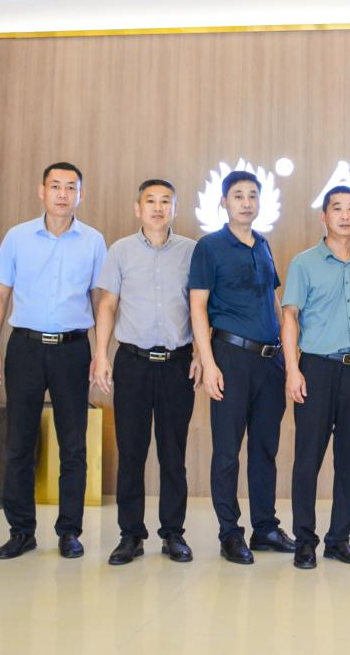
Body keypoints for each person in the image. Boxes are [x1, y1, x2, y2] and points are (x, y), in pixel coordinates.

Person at [0, 162, 108, 560]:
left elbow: (100, 301)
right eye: (55, 186)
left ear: (80, 195)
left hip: (73, 350)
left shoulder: (93, 241)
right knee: (19, 442)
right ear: (42, 191)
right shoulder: (18, 237)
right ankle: (21, 531)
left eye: (71, 187)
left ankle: (69, 532)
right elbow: (0, 295)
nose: (62, 194)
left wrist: (100, 353)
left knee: (73, 444)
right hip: (25, 348)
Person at [188, 170, 296, 564]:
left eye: (252, 195)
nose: (246, 202)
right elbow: (197, 306)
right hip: (230, 358)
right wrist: (208, 362)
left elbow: (272, 300)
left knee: (265, 449)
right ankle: (230, 533)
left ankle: (264, 527)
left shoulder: (263, 245)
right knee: (227, 451)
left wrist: (287, 358)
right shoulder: (210, 246)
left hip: (270, 361)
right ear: (224, 202)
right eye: (238, 195)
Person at [91, 179, 200, 566]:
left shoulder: (192, 251)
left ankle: (173, 534)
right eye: (150, 201)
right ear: (137, 208)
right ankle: (130, 535)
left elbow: (201, 308)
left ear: (175, 208)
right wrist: (100, 355)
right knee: (132, 452)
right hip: (132, 363)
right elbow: (107, 305)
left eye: (165, 201)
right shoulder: (120, 251)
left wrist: (201, 355)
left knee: (173, 454)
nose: (157, 207)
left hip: (177, 364)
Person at [281, 186, 350, 570]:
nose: (344, 215)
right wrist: (293, 369)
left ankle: (339, 539)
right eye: (336, 208)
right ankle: (305, 540)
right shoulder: (304, 263)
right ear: (323, 217)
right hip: (316, 369)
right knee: (308, 458)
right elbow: (290, 316)